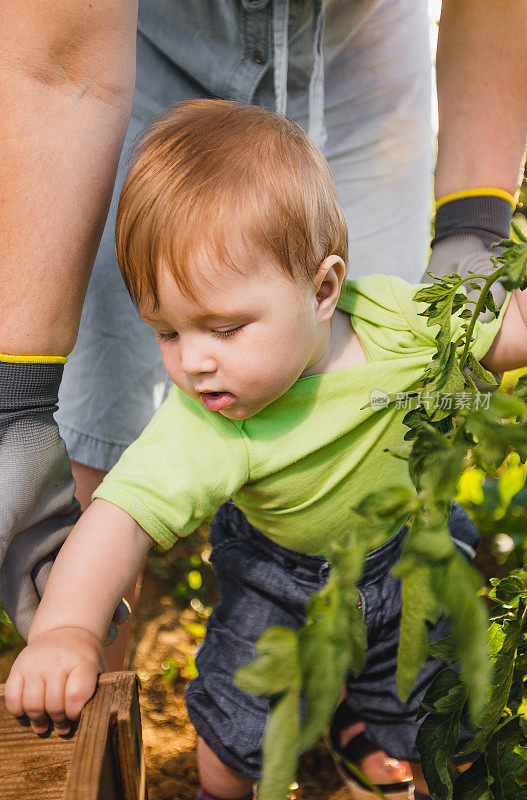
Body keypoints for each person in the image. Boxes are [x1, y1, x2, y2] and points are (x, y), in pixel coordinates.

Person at [5, 100, 527, 800]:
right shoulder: (210, 423)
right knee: (236, 725)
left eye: (223, 328)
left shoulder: (399, 324)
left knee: (441, 711)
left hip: (411, 554)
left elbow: (501, 335)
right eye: (166, 332)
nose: (192, 363)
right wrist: (66, 628)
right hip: (281, 581)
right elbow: (120, 517)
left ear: (322, 289)